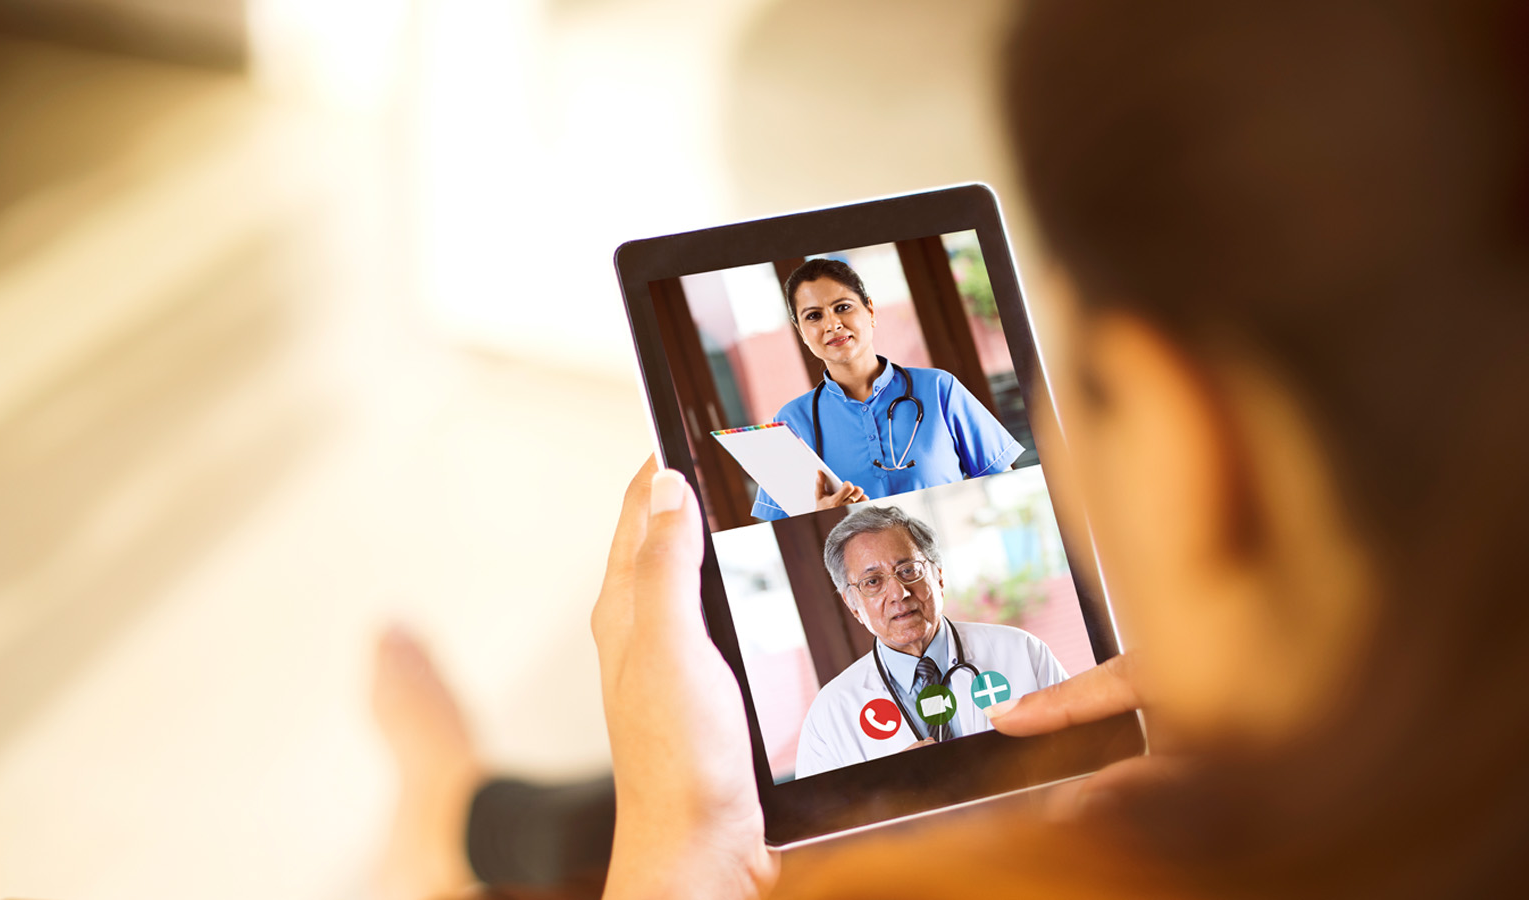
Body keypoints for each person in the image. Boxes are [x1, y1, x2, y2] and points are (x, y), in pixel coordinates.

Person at [378, 1, 1529, 897]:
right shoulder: (791, 439)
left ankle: (447, 816)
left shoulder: (941, 404)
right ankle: (458, 804)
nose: (832, 327)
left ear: (1192, 447)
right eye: (813, 318)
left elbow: (994, 476)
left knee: (626, 828)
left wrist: (677, 872)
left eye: (1096, 398)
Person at [794, 506, 1067, 777]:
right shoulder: (828, 716)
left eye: (908, 570)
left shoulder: (1022, 652)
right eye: (873, 581)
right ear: (853, 605)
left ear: (938, 575)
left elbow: (1090, 746)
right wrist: (890, 794)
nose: (899, 593)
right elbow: (821, 819)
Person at [748, 258, 1025, 520]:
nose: (831, 324)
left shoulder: (940, 389)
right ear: (801, 332)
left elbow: (1010, 490)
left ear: (870, 311)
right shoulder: (791, 422)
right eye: (814, 316)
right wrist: (822, 516)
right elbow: (783, 531)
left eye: (842, 307)